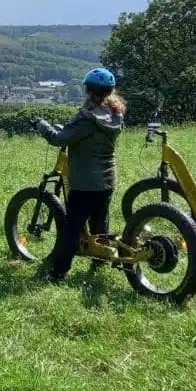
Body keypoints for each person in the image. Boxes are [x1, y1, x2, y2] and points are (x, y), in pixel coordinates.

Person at [32, 68, 125, 283]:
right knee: (100, 221)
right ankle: (99, 259)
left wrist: (42, 125)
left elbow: (59, 139)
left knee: (71, 229)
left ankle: (58, 273)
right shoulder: (114, 114)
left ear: (87, 90)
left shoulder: (86, 118)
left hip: (84, 182)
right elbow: (85, 137)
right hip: (107, 178)